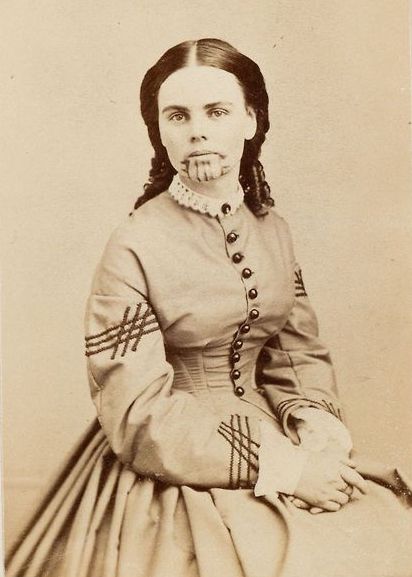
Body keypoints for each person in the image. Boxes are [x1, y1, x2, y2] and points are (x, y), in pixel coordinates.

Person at [6, 38, 412, 577]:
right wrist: (286, 469)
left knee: (385, 533)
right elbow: (138, 414)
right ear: (159, 131)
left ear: (250, 120)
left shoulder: (273, 230)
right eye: (177, 115)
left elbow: (297, 355)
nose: (196, 130)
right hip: (173, 459)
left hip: (279, 437)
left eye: (216, 112)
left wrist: (316, 432)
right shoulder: (133, 246)